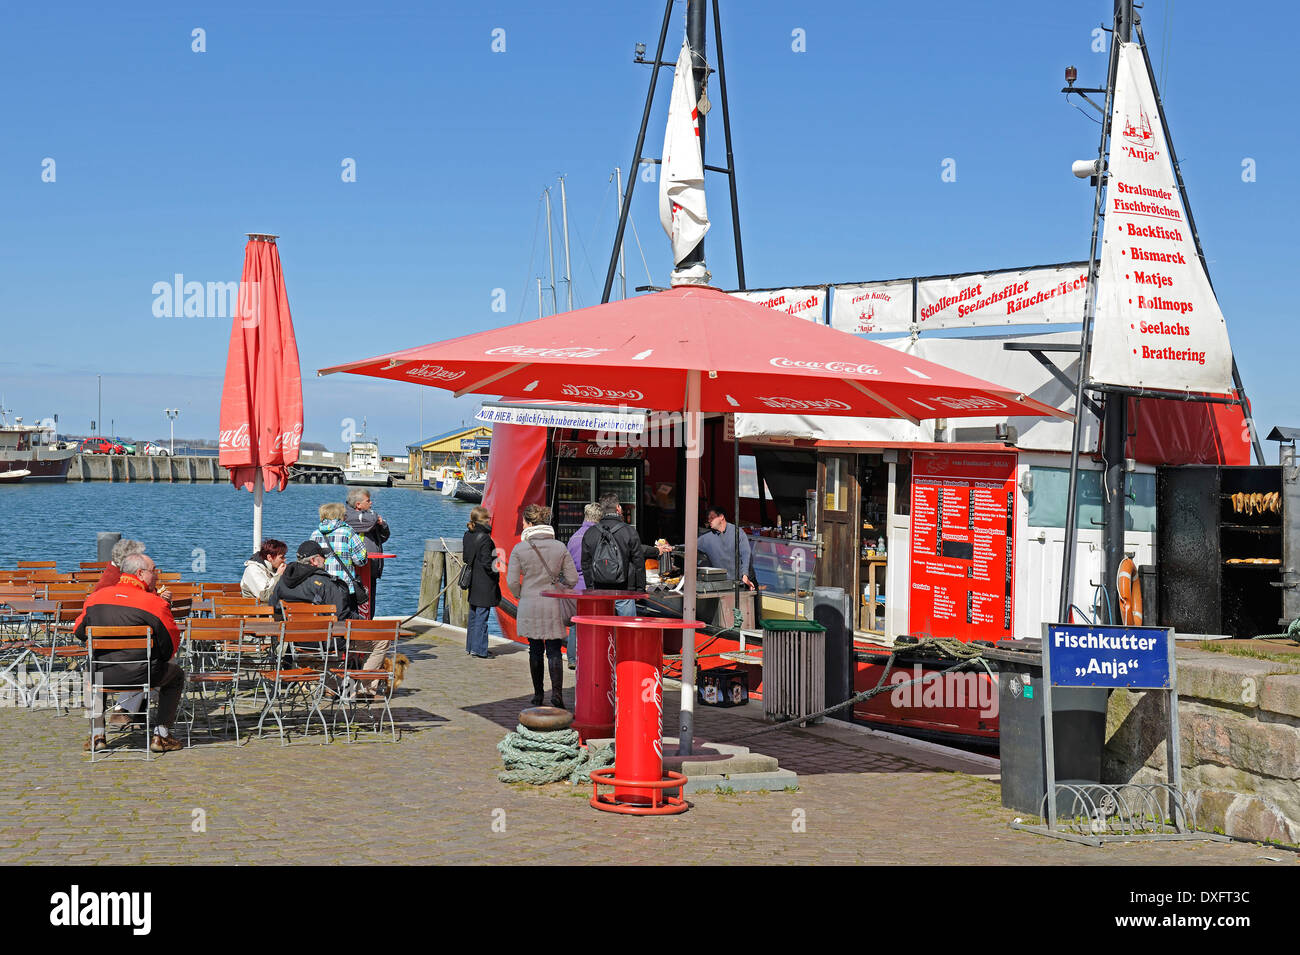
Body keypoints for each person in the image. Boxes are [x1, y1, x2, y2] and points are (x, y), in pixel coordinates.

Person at [73, 553, 185, 754]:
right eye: (154, 571)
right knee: (176, 674)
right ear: (140, 574)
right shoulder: (154, 603)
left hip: (103, 673)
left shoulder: (95, 598)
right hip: (143, 675)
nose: (157, 576)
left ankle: (97, 734)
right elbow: (171, 645)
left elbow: (79, 632)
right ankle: (161, 735)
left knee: (91, 674)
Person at [507, 504, 578, 707]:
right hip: (553, 602)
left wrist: (520, 594)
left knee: (535, 649)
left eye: (523, 522)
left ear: (529, 524)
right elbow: (572, 578)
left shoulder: (520, 548)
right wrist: (561, 585)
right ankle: (557, 695)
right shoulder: (559, 547)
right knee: (554, 650)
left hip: (530, 602)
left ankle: (538, 694)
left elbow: (512, 581)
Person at [581, 493, 671, 616]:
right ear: (618, 508)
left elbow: (585, 564)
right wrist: (639, 590)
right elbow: (638, 562)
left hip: (599, 590)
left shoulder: (590, 533)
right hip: (625, 590)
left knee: (603, 629)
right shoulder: (629, 532)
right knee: (626, 631)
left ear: (601, 510)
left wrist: (591, 588)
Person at [563, 502, 603, 669]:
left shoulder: (574, 537)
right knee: (594, 622)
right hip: (591, 584)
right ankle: (591, 656)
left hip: (575, 585)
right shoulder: (598, 536)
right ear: (599, 518)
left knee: (575, 623)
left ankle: (572, 658)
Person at [311, 501, 369, 616]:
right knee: (349, 620)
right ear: (340, 516)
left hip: (322, 587)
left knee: (325, 621)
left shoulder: (315, 534)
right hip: (345, 587)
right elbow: (362, 559)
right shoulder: (347, 532)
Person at [269, 541, 353, 619]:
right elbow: (341, 615)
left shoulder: (283, 579)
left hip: (288, 631)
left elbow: (272, 606)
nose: (325, 560)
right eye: (323, 556)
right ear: (313, 561)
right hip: (321, 632)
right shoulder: (325, 582)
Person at [345, 488, 391, 618]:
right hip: (354, 569)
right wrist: (374, 518)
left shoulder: (369, 516)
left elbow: (383, 537)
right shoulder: (347, 515)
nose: (371, 503)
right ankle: (355, 629)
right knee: (354, 600)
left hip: (371, 568)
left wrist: (382, 525)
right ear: (358, 504)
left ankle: (367, 626)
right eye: (368, 501)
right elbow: (368, 522)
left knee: (369, 599)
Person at [462, 505, 500, 658]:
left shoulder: (467, 535)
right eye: (488, 519)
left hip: (473, 580)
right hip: (485, 582)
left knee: (473, 615)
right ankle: (480, 649)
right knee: (482, 616)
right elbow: (487, 562)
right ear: (483, 521)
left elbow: (466, 558)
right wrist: (496, 572)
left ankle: (471, 646)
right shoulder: (485, 539)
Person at [697, 506, 755, 589]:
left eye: (712, 518)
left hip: (743, 582)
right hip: (722, 584)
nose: (709, 521)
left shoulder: (737, 532)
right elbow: (689, 547)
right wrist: (673, 548)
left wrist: (745, 575)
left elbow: (745, 554)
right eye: (708, 518)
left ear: (721, 517)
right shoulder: (706, 538)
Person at [240, 538, 288, 603]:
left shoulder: (272, 569)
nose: (285, 560)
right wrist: (278, 575)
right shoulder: (253, 570)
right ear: (269, 557)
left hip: (271, 609)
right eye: (281, 557)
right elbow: (265, 597)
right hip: (255, 610)